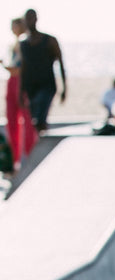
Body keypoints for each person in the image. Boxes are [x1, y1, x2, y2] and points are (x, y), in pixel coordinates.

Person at [19, 8, 66, 133]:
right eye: (27, 19)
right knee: (35, 120)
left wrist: (64, 88)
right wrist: (21, 92)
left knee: (40, 119)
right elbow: (23, 68)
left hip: (47, 85)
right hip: (31, 87)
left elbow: (61, 64)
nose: (30, 21)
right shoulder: (23, 43)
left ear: (36, 19)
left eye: (32, 18)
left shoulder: (49, 40)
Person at [3, 16, 36, 170]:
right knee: (12, 122)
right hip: (12, 81)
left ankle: (27, 157)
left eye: (14, 25)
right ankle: (15, 160)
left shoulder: (25, 43)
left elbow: (19, 67)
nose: (12, 29)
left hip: (21, 82)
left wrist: (6, 66)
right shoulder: (15, 44)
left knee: (26, 121)